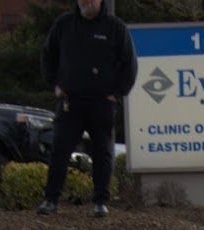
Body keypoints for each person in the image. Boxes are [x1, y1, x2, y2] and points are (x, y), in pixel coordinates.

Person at [38, 0, 137, 217]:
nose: (85, 2)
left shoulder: (114, 27)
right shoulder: (64, 25)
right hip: (69, 101)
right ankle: (51, 200)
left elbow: (129, 64)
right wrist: (54, 84)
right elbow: (48, 55)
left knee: (102, 152)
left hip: (102, 102)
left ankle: (100, 202)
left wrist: (117, 94)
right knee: (60, 150)